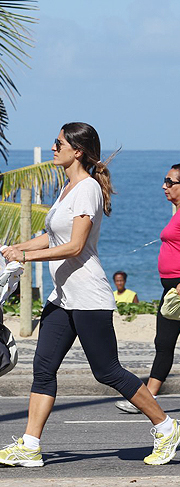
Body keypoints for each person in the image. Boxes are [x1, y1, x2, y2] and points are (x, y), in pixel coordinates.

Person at [0, 122, 179, 467]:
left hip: (88, 296)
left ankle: (166, 427)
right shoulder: (67, 189)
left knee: (107, 371)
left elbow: (75, 246)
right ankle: (30, 446)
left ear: (77, 151)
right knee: (43, 368)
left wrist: (26, 257)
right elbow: (54, 238)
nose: (52, 148)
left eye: (58, 143)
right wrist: (13, 248)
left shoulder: (87, 188)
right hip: (63, 297)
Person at [115, 163, 180, 414]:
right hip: (171, 292)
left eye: (170, 182)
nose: (164, 186)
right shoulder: (176, 212)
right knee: (163, 343)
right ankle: (148, 398)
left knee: (164, 343)